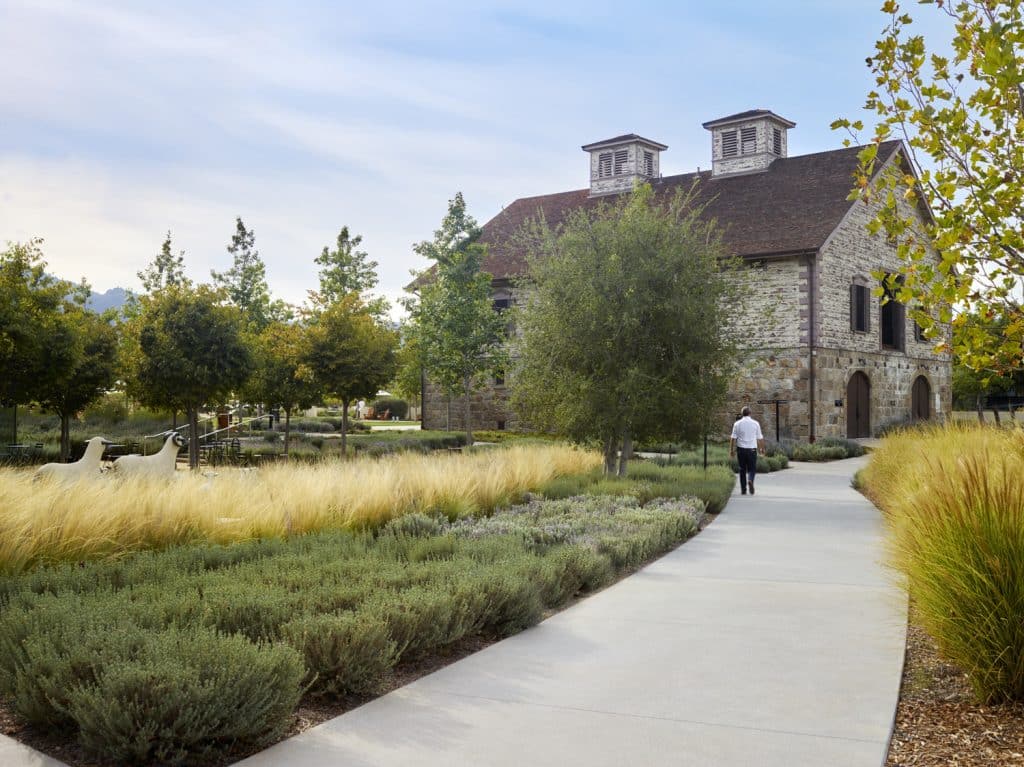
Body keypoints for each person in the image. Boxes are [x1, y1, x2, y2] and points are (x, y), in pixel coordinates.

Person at [730, 406, 766, 495]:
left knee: (742, 469)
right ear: (750, 413)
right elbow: (760, 438)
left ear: (742, 414)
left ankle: (743, 490)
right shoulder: (755, 423)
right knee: (752, 468)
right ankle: (750, 480)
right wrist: (762, 449)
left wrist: (731, 450)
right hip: (752, 450)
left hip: (741, 450)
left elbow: (733, 438)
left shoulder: (737, 424)